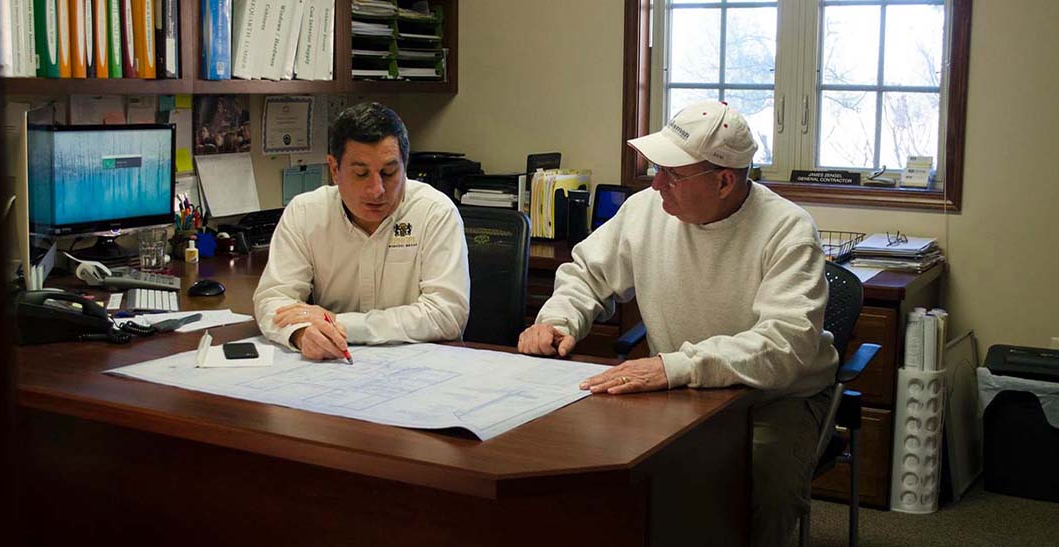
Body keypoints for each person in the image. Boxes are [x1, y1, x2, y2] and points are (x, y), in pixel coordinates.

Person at [517, 100, 838, 546]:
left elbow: (785, 346)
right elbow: (588, 273)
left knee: (764, 490)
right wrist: (558, 318)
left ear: (725, 180)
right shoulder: (647, 209)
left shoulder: (787, 230)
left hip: (770, 399)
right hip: (677, 388)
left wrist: (675, 366)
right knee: (612, 475)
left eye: (672, 173)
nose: (656, 183)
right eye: (656, 168)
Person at [254, 102, 470, 360]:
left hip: (421, 367)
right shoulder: (306, 213)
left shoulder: (435, 213)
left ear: (405, 166)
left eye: (389, 173)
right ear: (334, 170)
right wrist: (302, 333)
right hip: (333, 365)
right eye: (361, 173)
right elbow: (274, 299)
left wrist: (341, 324)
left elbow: (447, 314)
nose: (377, 189)